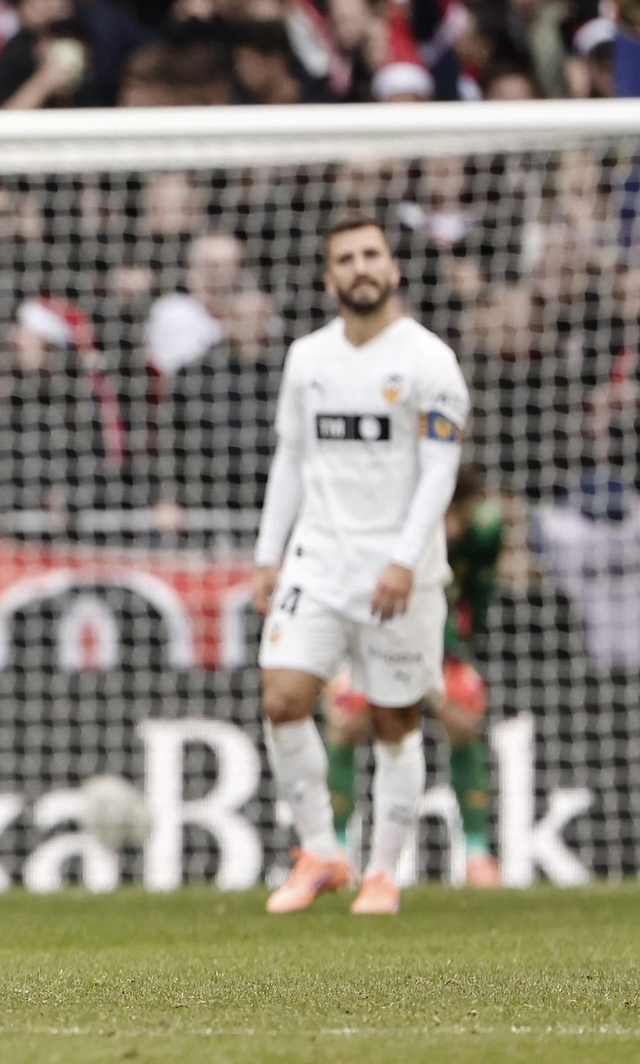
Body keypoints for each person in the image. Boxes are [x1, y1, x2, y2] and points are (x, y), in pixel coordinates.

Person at [252, 213, 469, 916]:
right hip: (317, 561)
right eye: (345, 258)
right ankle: (319, 850)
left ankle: (382, 873)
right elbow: (292, 457)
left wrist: (405, 560)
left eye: (371, 254)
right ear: (329, 277)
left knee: (393, 720)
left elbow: (441, 470)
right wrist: (268, 553)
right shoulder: (307, 358)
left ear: (394, 269)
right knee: (282, 697)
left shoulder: (429, 360)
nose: (360, 268)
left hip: (398, 572)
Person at [322, 462, 503, 888]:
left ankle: (477, 853)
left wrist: (457, 654)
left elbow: (475, 598)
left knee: (463, 714)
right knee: (344, 720)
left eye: (460, 515)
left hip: (439, 647)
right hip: (367, 641)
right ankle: (336, 850)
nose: (454, 528)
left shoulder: (485, 531)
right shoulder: (387, 525)